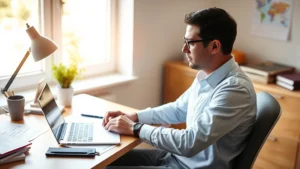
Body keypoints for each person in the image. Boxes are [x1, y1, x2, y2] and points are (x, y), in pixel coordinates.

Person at [103, 7, 256, 169]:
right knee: (106, 161)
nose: (184, 49)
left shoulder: (235, 90)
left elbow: (189, 142)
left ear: (214, 46)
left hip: (189, 166)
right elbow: (177, 109)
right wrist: (134, 117)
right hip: (176, 158)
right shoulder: (206, 75)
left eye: (190, 43)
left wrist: (135, 128)